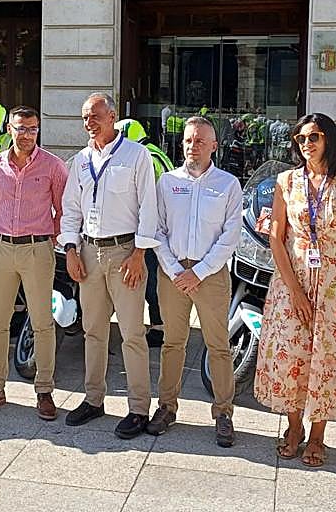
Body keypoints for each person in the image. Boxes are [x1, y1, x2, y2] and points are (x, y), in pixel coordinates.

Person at [255, 113, 336, 469]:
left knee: (328, 360)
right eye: (301, 138)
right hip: (292, 281)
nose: (307, 144)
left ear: (329, 139)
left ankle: (318, 434)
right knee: (291, 356)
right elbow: (276, 237)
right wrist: (297, 291)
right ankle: (292, 427)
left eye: (314, 137)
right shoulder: (286, 181)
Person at [59, 92, 160, 439]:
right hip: (88, 252)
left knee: (132, 333)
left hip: (124, 253)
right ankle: (94, 398)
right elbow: (71, 207)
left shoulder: (136, 155)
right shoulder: (81, 160)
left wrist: (139, 254)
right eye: (85, 117)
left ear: (113, 116)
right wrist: (70, 249)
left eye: (96, 116)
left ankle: (138, 408)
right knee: (93, 330)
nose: (89, 123)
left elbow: (150, 207)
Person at [145, 116, 242, 447]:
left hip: (211, 274)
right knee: (173, 343)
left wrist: (198, 273)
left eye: (200, 140)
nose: (193, 145)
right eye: (188, 140)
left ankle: (223, 413)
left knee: (218, 345)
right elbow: (156, 230)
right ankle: (166, 407)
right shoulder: (167, 182)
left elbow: (230, 237)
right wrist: (175, 270)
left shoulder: (228, 184)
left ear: (214, 145)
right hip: (172, 272)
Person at [0, 106, 67, 420]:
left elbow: (63, 210)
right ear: (9, 129)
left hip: (37, 250)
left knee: (42, 322)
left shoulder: (53, 166)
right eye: (21, 128)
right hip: (1, 249)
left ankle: (44, 390)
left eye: (33, 129)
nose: (27, 135)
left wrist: (48, 241)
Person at [116, 118, 173, 348]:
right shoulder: (156, 152)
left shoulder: (146, 157)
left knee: (150, 281)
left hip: (151, 229)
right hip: (161, 227)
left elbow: (145, 198)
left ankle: (159, 328)